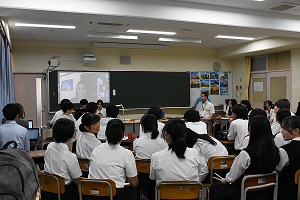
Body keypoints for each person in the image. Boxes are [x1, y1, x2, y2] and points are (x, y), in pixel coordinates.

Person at [210, 116, 280, 200]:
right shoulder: (275, 150)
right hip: (267, 191)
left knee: (215, 187)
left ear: (251, 131)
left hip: (246, 192)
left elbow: (232, 178)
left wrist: (225, 180)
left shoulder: (246, 154)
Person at [89, 119, 139, 200]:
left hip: (94, 194)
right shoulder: (126, 153)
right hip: (115, 195)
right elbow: (134, 183)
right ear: (123, 134)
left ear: (105, 132)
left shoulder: (95, 150)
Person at [149, 119, 208, 185]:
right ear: (184, 135)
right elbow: (198, 172)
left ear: (166, 135)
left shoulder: (156, 156)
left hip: (166, 194)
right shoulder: (194, 153)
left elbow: (153, 177)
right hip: (190, 194)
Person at [43, 118, 82, 200]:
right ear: (72, 135)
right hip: (64, 193)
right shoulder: (70, 156)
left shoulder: (49, 147)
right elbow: (77, 180)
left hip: (47, 191)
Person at [276, 116, 300, 200]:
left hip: (288, 192)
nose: (281, 131)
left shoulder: (285, 150)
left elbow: (277, 170)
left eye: (284, 129)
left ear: (296, 131)